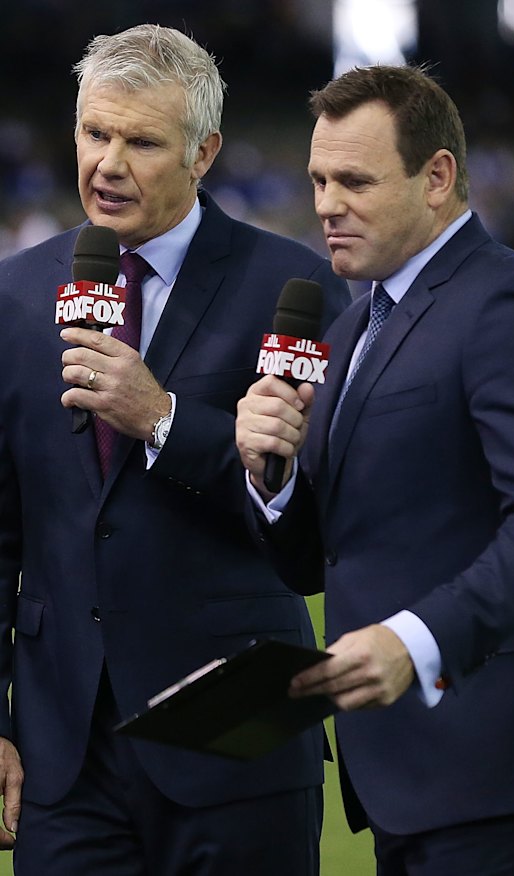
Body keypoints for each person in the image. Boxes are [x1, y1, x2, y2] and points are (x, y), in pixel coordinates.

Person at [0, 23, 350, 876]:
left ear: (204, 152)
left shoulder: (293, 289)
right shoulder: (13, 293)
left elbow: (313, 525)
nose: (108, 163)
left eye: (142, 141)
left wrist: (162, 417)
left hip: (238, 739)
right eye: (95, 133)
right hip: (64, 756)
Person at [235, 63, 514, 874]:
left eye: (354, 180)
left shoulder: (510, 301)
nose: (325, 204)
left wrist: (418, 640)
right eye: (318, 179)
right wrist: (274, 474)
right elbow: (322, 561)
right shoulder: (354, 329)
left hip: (508, 780)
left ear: (437, 177)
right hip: (402, 780)